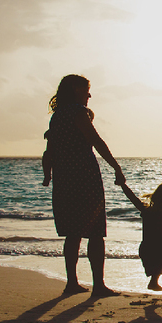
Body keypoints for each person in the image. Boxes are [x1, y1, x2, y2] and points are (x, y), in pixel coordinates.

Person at [43, 74, 125, 296]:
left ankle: (71, 283)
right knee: (95, 232)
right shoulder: (78, 113)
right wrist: (116, 167)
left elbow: (49, 152)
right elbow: (96, 141)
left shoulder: (57, 117)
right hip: (84, 178)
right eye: (86, 89)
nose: (89, 94)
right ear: (76, 90)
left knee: (73, 233)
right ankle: (98, 285)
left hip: (64, 180)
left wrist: (48, 176)